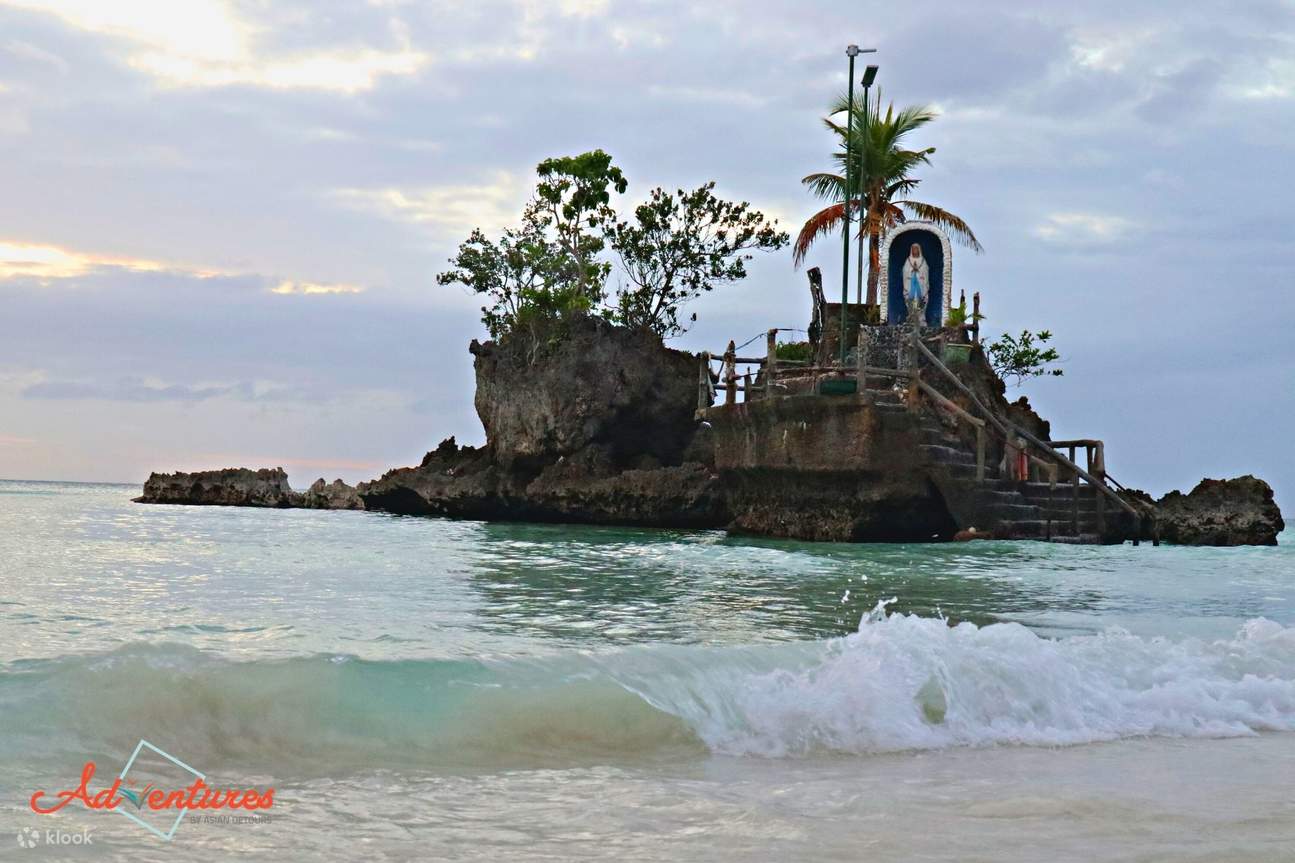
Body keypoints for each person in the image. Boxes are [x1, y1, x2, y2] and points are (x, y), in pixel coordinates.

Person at [902, 242, 929, 326]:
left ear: (919, 250)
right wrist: (911, 270)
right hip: (911, 285)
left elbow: (925, 271)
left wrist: (919, 271)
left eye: (916, 249)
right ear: (911, 250)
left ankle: (921, 319)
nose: (915, 250)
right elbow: (905, 271)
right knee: (912, 300)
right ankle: (912, 318)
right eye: (913, 249)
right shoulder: (908, 260)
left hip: (920, 285)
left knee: (920, 300)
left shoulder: (923, 261)